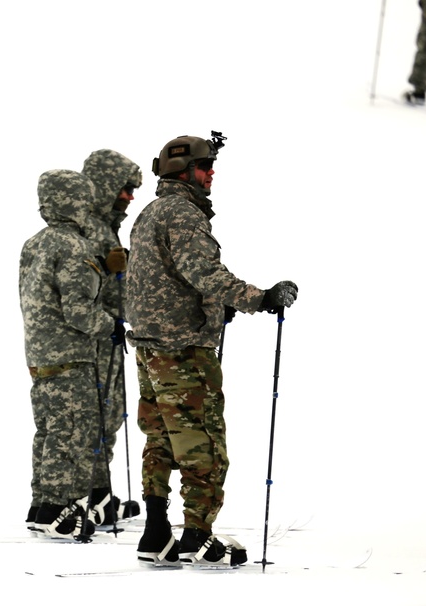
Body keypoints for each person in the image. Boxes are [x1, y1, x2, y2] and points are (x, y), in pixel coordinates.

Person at [124, 134, 298, 567]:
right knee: (203, 442)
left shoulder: (149, 213)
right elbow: (203, 271)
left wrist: (213, 308)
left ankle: (156, 532)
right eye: (205, 167)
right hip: (182, 352)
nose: (211, 174)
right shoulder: (183, 214)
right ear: (184, 173)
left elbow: (162, 280)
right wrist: (259, 298)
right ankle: (197, 536)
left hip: (151, 349)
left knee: (161, 440)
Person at [20, 169, 119, 540]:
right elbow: (77, 310)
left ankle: (41, 503)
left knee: (48, 432)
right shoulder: (74, 247)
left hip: (41, 354)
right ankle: (59, 509)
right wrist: (110, 324)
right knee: (72, 432)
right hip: (72, 354)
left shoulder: (35, 243)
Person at [80, 149, 144, 527]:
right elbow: (79, 280)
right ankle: (87, 496)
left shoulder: (106, 227)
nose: (129, 197)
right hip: (95, 339)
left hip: (111, 336)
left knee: (109, 415)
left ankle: (100, 496)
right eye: (124, 189)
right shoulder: (89, 228)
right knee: (95, 418)